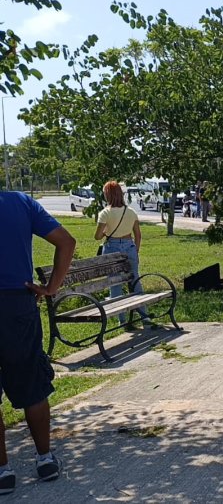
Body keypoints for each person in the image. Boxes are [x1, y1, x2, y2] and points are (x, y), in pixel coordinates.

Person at [0, 191, 75, 492]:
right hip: (18, 306)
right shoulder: (19, 202)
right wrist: (51, 287)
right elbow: (66, 241)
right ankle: (44, 458)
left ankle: (3, 472)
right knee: (32, 384)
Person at [95, 181, 151, 326]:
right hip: (130, 246)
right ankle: (145, 316)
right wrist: (135, 250)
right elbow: (138, 235)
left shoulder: (105, 213)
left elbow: (98, 236)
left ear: (107, 195)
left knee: (115, 283)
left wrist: (107, 230)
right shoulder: (131, 212)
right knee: (135, 281)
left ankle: (122, 320)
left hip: (112, 247)